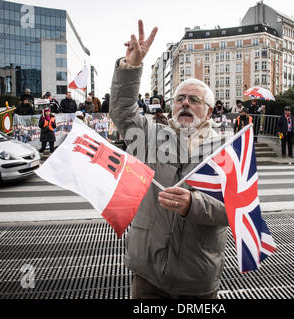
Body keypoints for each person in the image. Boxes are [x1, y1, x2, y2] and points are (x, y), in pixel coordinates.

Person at [110, 20, 228, 299]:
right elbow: (122, 112)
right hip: (148, 272)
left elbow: (237, 210)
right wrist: (131, 68)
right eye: (180, 98)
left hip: (196, 277)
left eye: (194, 100)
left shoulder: (227, 149)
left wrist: (193, 205)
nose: (185, 103)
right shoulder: (151, 136)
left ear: (209, 112)